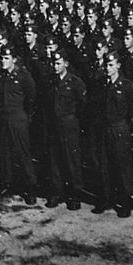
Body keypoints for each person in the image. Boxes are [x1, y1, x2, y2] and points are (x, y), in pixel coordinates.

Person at [0, 45, 38, 205]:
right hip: (3, 120)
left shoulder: (23, 76)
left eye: (7, 58)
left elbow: (31, 97)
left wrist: (25, 117)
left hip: (18, 120)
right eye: (2, 58)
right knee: (5, 154)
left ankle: (31, 188)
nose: (3, 61)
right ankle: (7, 184)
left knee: (23, 154)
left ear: (14, 60)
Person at [95, 51, 133, 217]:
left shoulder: (126, 86)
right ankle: (106, 199)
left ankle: (125, 202)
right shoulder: (101, 84)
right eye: (106, 65)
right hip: (104, 128)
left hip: (120, 129)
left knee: (122, 167)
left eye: (111, 65)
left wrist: (126, 128)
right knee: (104, 166)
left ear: (118, 66)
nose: (108, 68)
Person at [43, 50, 87, 210]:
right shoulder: (50, 81)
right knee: (54, 160)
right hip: (53, 125)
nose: (55, 66)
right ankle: (57, 192)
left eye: (58, 63)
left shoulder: (75, 82)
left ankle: (75, 194)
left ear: (66, 64)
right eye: (54, 63)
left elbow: (82, 106)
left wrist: (74, 122)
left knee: (71, 160)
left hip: (69, 125)